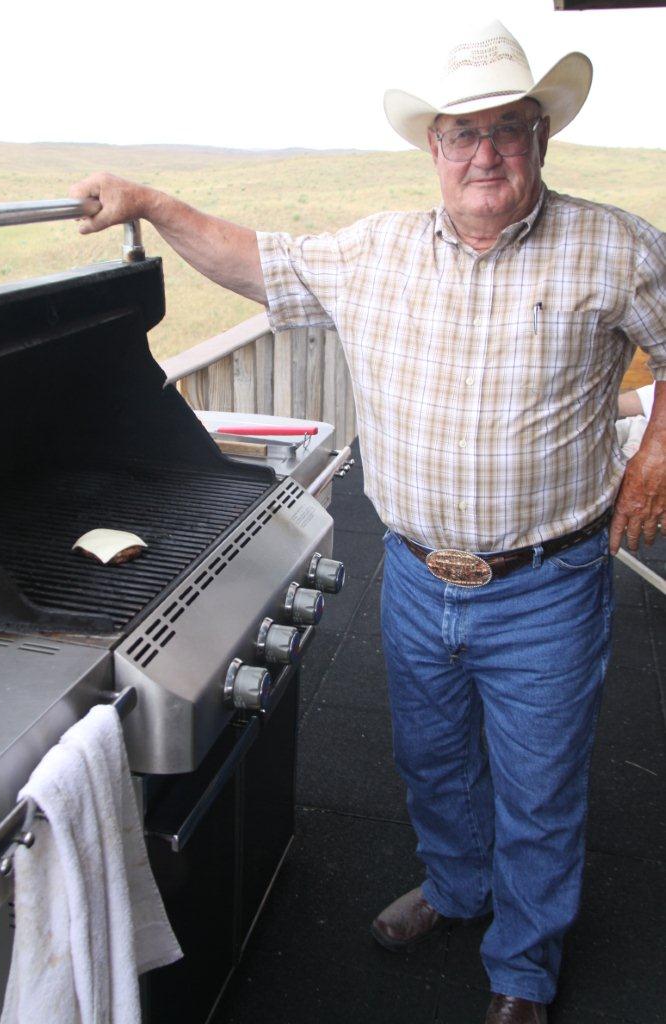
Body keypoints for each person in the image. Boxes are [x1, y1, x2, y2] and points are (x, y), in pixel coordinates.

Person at [69, 20, 666, 1024]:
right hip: (414, 573)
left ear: (540, 138)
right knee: (429, 756)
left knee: (539, 782)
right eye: (461, 133)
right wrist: (151, 202)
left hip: (547, 583)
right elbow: (255, 263)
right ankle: (458, 884)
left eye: (507, 130)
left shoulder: (615, 245)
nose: (485, 153)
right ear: (432, 148)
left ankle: (522, 963)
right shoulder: (374, 249)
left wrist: (655, 448)